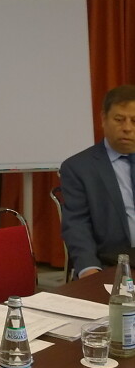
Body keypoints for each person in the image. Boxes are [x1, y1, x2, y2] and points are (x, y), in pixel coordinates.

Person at [61, 84, 135, 278]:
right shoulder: (79, 167)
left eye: (134, 121)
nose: (127, 128)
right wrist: (89, 269)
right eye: (119, 119)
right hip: (110, 264)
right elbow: (77, 225)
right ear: (103, 119)